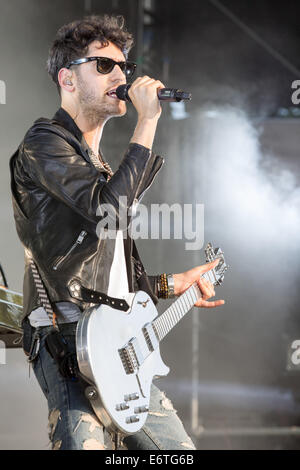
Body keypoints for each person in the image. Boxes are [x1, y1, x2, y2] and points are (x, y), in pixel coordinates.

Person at [9, 14, 224, 450]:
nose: (121, 75)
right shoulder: (43, 142)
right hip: (69, 341)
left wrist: (170, 284)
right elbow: (110, 209)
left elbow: (112, 277)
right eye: (103, 65)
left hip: (121, 344)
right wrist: (148, 122)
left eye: (123, 66)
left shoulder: (101, 167)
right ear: (67, 79)